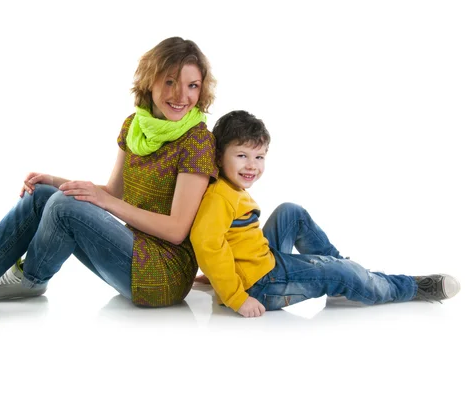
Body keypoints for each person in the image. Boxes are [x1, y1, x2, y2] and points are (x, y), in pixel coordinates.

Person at [0, 37, 219, 320]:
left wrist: (102, 201)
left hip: (163, 273)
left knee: (63, 206)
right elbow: (114, 192)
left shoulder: (197, 141)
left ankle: (30, 278)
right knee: (46, 194)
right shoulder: (135, 125)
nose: (182, 96)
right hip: (133, 254)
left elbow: (177, 230)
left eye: (192, 85)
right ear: (150, 80)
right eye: (170, 82)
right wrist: (56, 180)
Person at [190, 110, 461, 318]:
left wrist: (216, 277)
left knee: (290, 212)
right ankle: (409, 287)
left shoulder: (228, 187)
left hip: (258, 263)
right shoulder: (220, 197)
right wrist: (236, 297)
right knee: (340, 272)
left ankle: (346, 273)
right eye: (241, 156)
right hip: (263, 285)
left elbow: (227, 240)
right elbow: (207, 244)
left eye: (259, 157)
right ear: (219, 155)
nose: (252, 166)